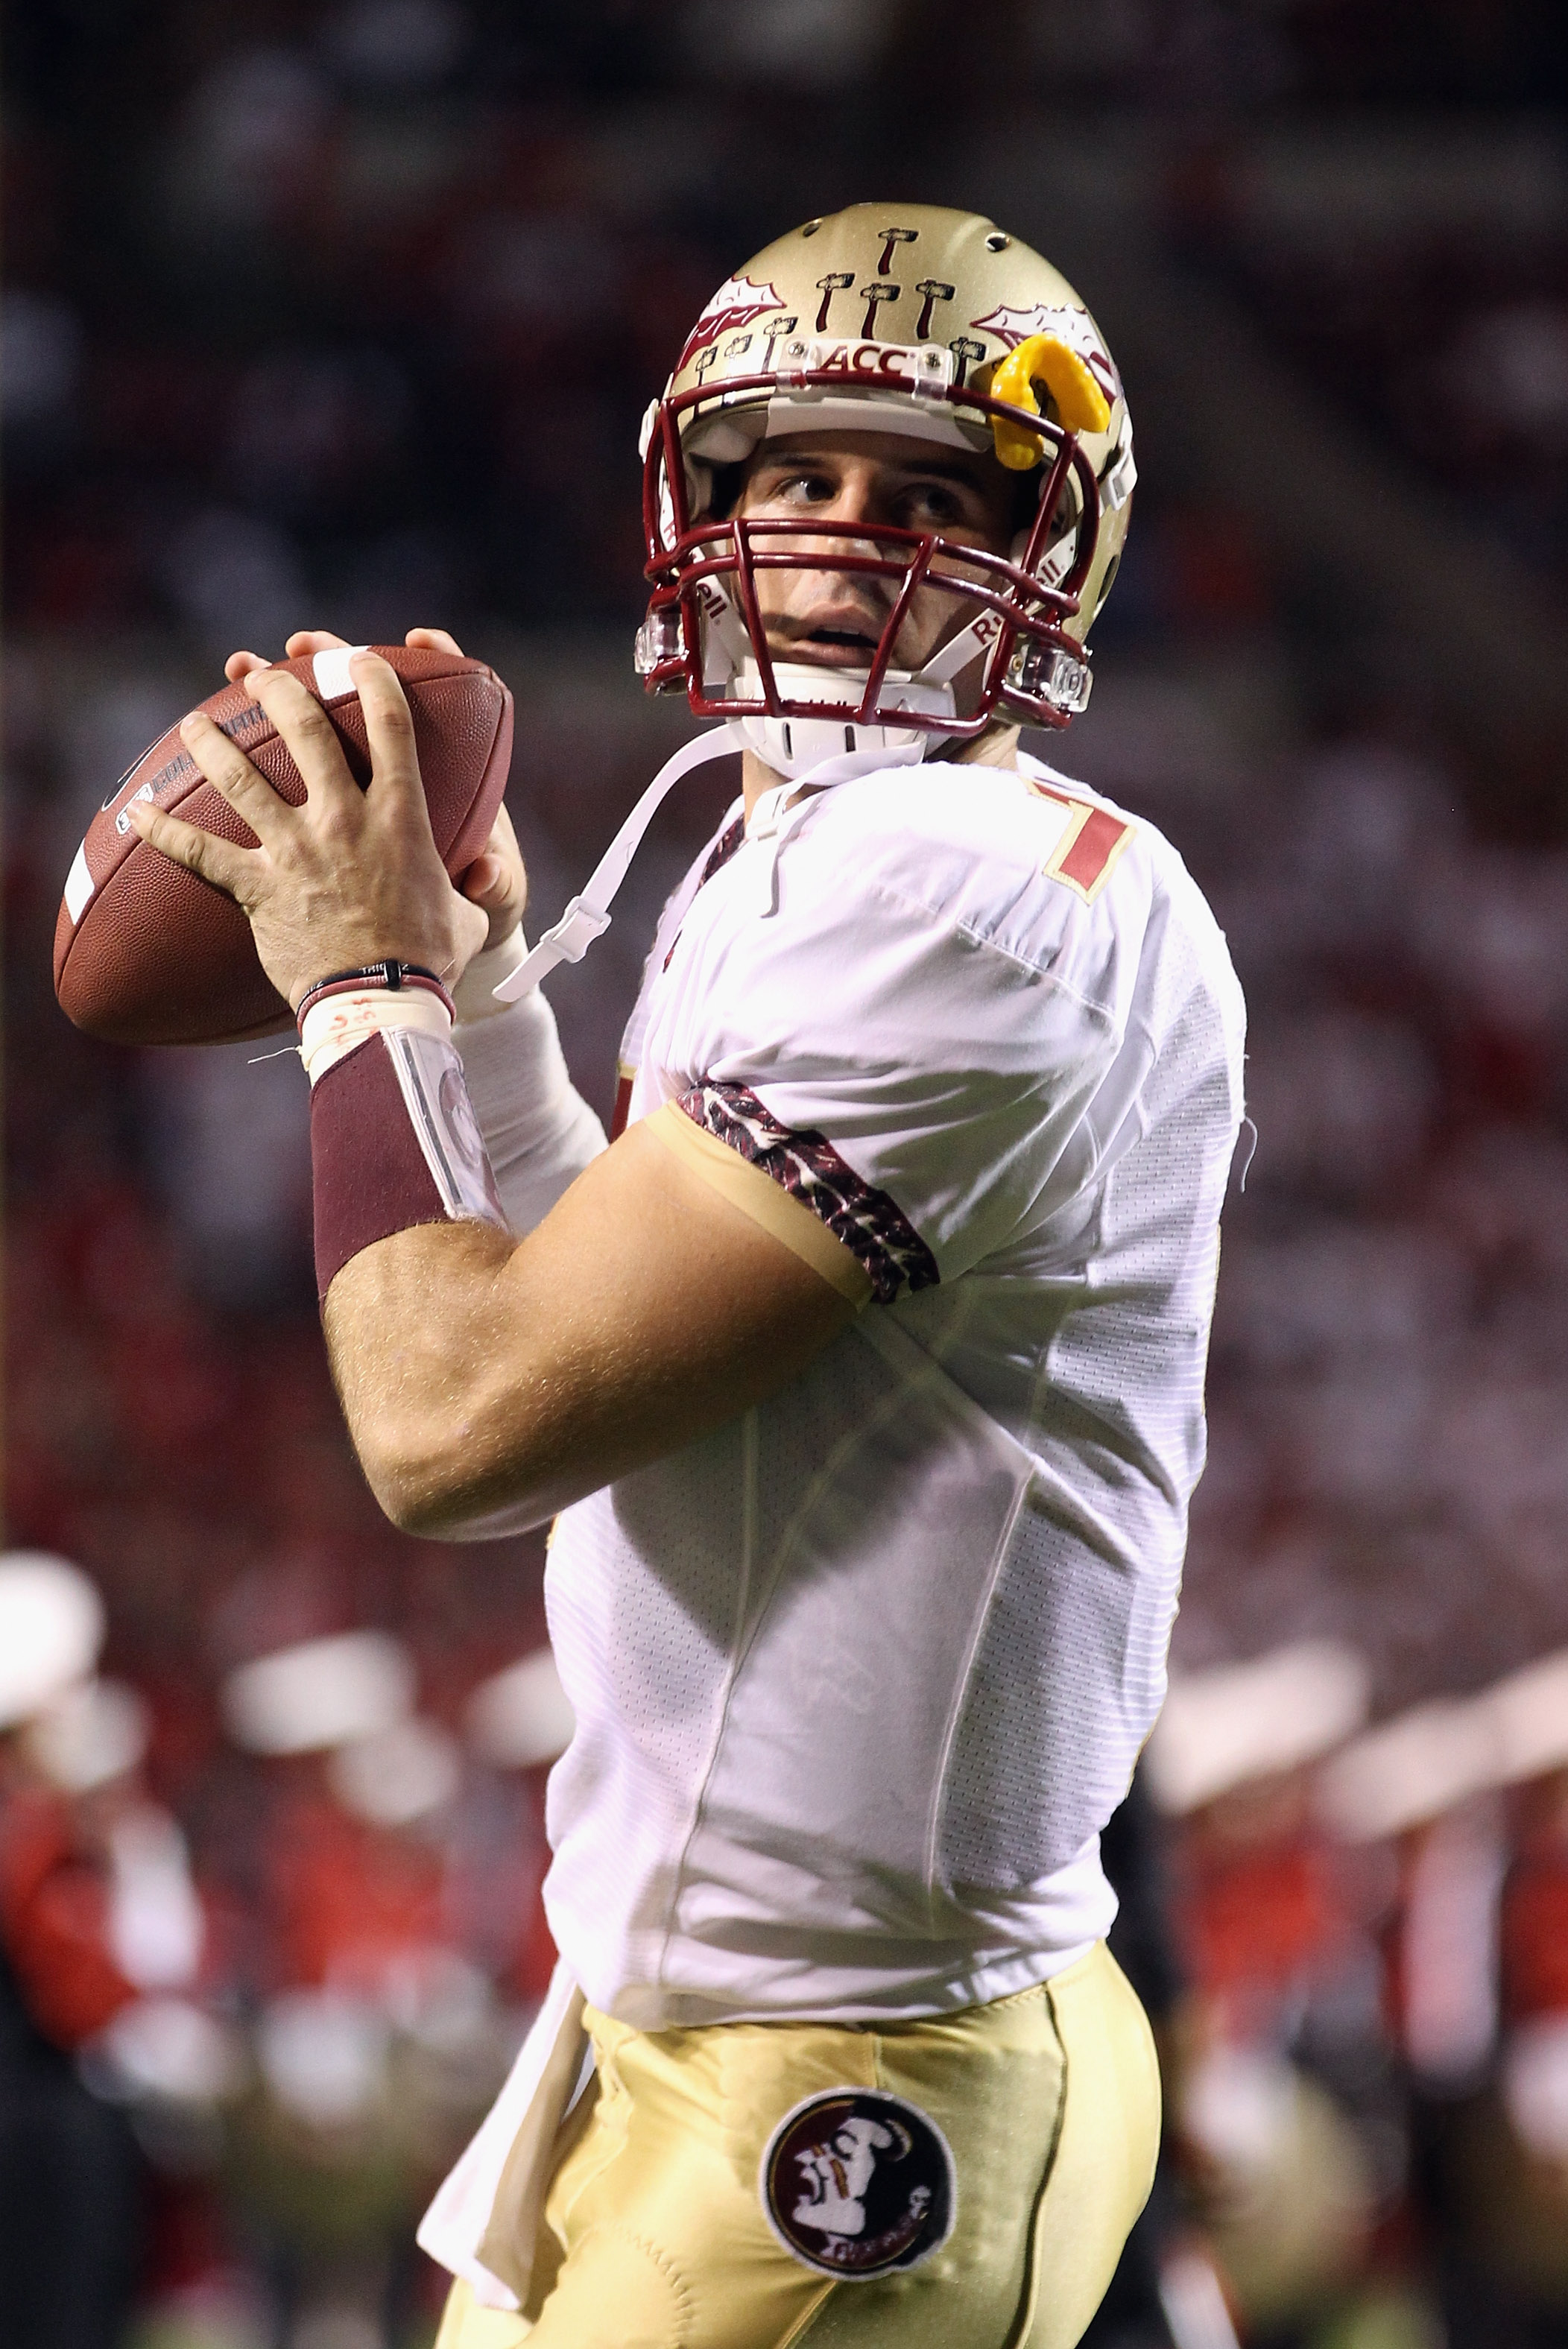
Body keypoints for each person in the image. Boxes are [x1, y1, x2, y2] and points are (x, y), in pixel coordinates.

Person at [130, 203, 1246, 2349]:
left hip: (843, 2078)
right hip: (728, 2029)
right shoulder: (821, 847)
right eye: (797, 474)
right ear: (694, 499)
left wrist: (355, 984)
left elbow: (459, 1432)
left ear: (1054, 544)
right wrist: (466, 1000)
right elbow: (596, 1349)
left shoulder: (959, 899)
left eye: (931, 491)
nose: (846, 535)